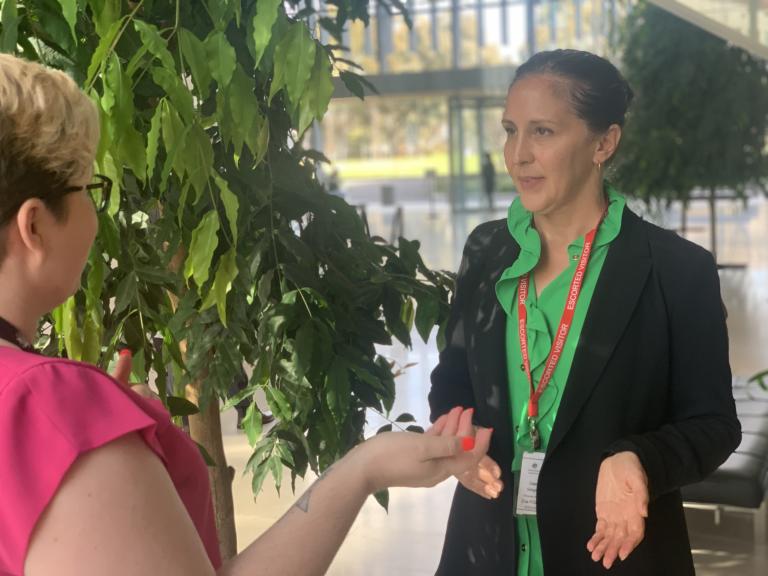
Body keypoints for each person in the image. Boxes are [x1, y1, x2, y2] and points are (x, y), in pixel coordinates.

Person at [0, 54, 493, 575]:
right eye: (89, 190)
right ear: (34, 227)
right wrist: (362, 469)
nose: (95, 216)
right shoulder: (48, 409)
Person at [428, 49, 741, 575]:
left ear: (604, 142)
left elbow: (714, 424)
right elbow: (453, 380)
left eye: (543, 132)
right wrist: (460, 439)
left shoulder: (675, 270)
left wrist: (639, 459)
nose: (517, 154)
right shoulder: (486, 251)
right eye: (510, 130)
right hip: (484, 551)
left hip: (614, 554)